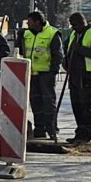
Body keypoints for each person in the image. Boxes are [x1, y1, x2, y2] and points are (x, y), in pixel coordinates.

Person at [61, 10, 91, 146]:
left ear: (82, 22)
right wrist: (66, 60)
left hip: (87, 75)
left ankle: (85, 134)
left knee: (85, 106)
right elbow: (68, 49)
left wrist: (80, 48)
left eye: (74, 24)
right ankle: (79, 133)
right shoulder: (74, 34)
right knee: (76, 105)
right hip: (74, 75)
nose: (72, 27)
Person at [20, 9, 59, 141]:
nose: (27, 25)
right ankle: (39, 128)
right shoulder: (26, 34)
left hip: (46, 74)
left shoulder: (52, 33)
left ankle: (52, 129)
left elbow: (57, 54)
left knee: (48, 103)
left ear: (37, 22)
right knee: (35, 102)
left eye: (29, 22)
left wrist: (53, 71)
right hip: (32, 73)